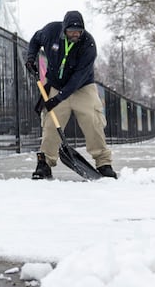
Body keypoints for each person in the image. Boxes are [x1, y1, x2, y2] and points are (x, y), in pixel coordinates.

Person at [25, 10, 118, 180]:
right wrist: (31, 58)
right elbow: (35, 40)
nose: (75, 34)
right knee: (51, 125)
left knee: (92, 121)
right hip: (56, 84)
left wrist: (58, 98)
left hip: (82, 86)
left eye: (78, 31)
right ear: (64, 29)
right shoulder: (50, 32)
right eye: (71, 31)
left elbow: (77, 78)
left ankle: (104, 163)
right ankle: (44, 163)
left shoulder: (88, 44)